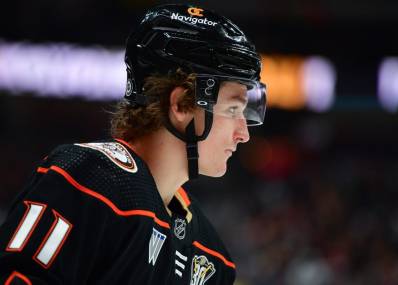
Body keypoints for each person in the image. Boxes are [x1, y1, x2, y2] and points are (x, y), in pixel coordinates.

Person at [0, 4, 266, 284]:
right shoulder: (89, 181)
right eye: (233, 111)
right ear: (180, 105)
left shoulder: (211, 256)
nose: (243, 134)